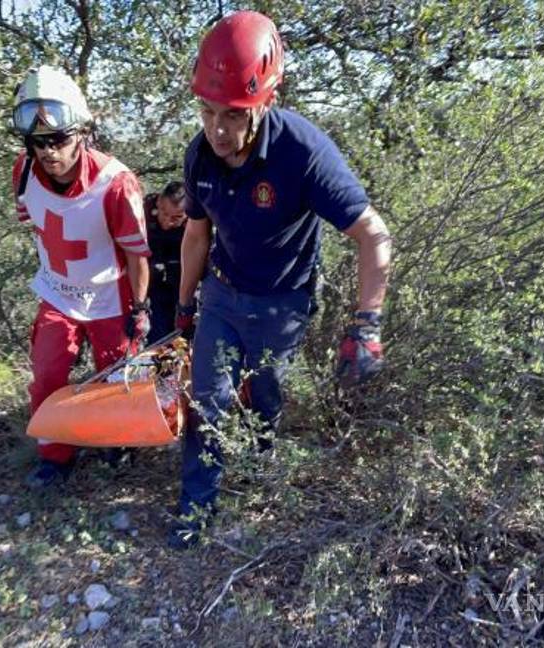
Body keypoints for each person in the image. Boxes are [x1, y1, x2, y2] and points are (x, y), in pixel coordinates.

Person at [169, 11, 392, 548]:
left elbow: (373, 235)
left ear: (265, 102)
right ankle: (197, 506)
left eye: (232, 114)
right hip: (222, 294)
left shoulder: (302, 152)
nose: (217, 129)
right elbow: (196, 236)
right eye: (206, 111)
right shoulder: (200, 154)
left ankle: (261, 467)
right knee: (206, 400)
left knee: (266, 400)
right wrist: (182, 307)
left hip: (281, 306)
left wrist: (367, 325)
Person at [10, 65, 152, 488]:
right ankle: (55, 456)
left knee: (119, 378)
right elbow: (37, 226)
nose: (49, 152)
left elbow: (136, 254)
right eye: (39, 143)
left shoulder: (115, 184)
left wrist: (140, 309)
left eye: (59, 139)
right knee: (48, 376)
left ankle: (117, 443)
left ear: (82, 134)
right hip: (58, 292)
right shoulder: (22, 173)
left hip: (111, 295)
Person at [143, 182, 188, 341]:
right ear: (159, 202)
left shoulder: (196, 222)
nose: (167, 222)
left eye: (176, 218)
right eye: (163, 212)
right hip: (150, 284)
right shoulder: (144, 210)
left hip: (182, 283)